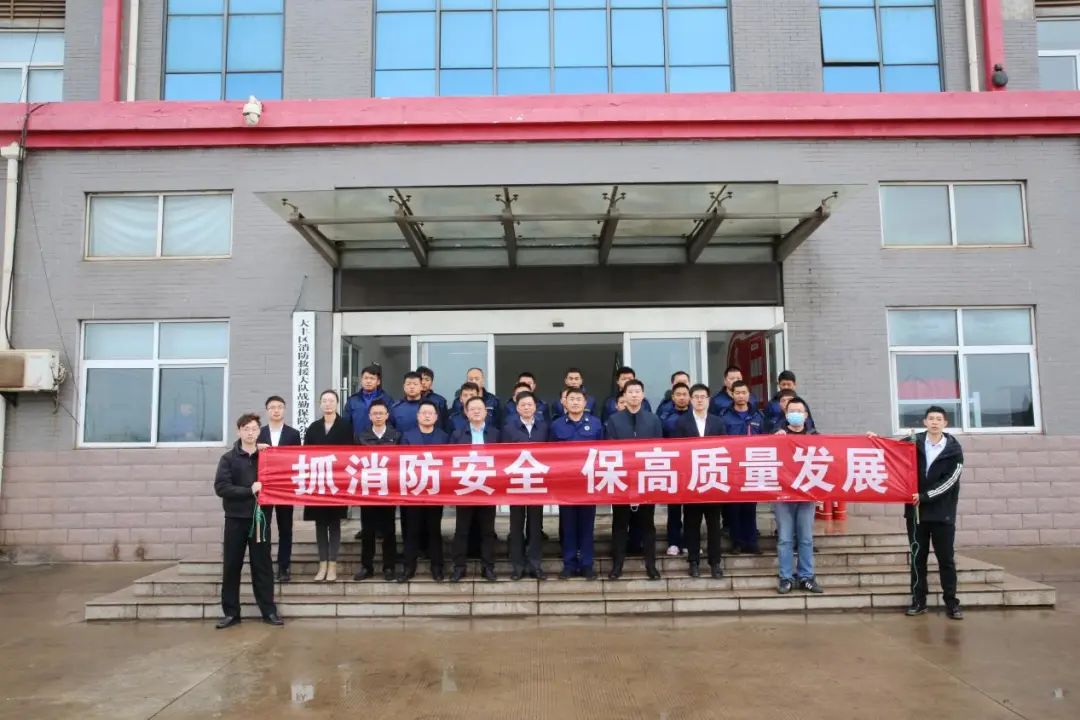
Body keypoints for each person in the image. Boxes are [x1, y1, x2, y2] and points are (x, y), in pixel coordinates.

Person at [872, 406, 964, 620]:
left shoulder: (954, 449)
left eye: (939, 419)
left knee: (946, 560)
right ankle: (919, 600)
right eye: (931, 418)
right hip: (916, 514)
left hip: (942, 514)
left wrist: (925, 496)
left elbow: (951, 480)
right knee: (917, 559)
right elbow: (891, 449)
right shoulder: (914, 441)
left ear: (945, 423)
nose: (934, 422)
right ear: (925, 422)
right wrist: (875, 440)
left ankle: (951, 603)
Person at [213, 413, 283, 628]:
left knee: (262, 566)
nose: (250, 433)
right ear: (239, 431)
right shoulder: (228, 458)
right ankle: (231, 613)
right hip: (235, 520)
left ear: (259, 431)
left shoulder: (266, 456)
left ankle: (268, 611)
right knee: (231, 566)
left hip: (260, 520)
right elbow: (221, 487)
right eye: (246, 429)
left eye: (254, 429)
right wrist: (248, 490)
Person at [605, 379, 663, 581]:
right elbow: (610, 449)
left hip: (646, 479)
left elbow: (659, 449)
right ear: (624, 395)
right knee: (620, 524)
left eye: (638, 391)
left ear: (643, 395)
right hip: (622, 480)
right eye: (630, 392)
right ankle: (617, 565)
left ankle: (651, 566)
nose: (634, 395)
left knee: (647, 525)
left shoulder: (653, 420)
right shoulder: (614, 420)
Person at [773, 397, 823, 594]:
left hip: (807, 494)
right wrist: (775, 440)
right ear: (786, 414)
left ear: (806, 415)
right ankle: (786, 577)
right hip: (783, 495)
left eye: (799, 411)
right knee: (785, 538)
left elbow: (825, 463)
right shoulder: (778, 435)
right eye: (792, 411)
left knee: (805, 538)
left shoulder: (815, 436)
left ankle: (806, 576)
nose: (795, 414)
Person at [675, 384, 726, 579]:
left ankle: (715, 563)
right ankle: (693, 561)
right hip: (691, 481)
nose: (699, 400)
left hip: (713, 480)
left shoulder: (718, 422)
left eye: (702, 396)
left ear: (708, 400)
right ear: (690, 399)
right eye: (695, 396)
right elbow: (678, 451)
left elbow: (726, 448)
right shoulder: (681, 423)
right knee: (691, 524)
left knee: (714, 525)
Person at [449, 396, 501, 582]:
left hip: (488, 487)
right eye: (472, 409)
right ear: (466, 412)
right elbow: (450, 459)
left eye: (480, 408)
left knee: (487, 531)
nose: (476, 412)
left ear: (486, 412)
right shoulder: (457, 434)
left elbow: (503, 459)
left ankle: (488, 567)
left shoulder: (495, 434)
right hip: (465, 487)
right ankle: (459, 567)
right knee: (462, 530)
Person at [302, 389, 352, 582]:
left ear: (337, 403)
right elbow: (305, 456)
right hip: (318, 482)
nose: (328, 404)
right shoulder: (313, 428)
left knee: (334, 523)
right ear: (320, 404)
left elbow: (350, 455)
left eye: (331, 400)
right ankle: (322, 563)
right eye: (324, 401)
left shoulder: (346, 426)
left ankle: (332, 564)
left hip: (337, 482)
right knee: (320, 524)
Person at [501, 390, 549, 580]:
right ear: (517, 408)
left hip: (537, 483)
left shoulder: (544, 427)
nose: (527, 407)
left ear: (535, 407)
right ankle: (518, 566)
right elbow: (503, 456)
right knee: (516, 526)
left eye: (530, 404)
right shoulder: (508, 429)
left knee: (535, 525)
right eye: (523, 405)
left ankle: (535, 564)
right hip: (516, 483)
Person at [398, 400, 448, 582]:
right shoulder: (407, 436)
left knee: (434, 530)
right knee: (412, 530)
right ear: (418, 416)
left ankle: (437, 567)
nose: (427, 416)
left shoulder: (444, 437)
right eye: (424, 413)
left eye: (430, 413)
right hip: (413, 491)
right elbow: (402, 462)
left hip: (435, 490)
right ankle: (408, 567)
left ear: (436, 417)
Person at [353, 399, 402, 582]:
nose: (378, 416)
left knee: (389, 530)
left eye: (381, 413)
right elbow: (355, 461)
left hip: (389, 489)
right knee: (368, 531)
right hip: (368, 489)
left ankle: (389, 567)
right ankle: (367, 566)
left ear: (387, 415)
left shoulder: (396, 435)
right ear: (369, 416)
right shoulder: (361, 436)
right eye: (375, 413)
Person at [255, 395, 302, 583]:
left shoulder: (293, 434)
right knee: (263, 527)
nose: (276, 410)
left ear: (284, 409)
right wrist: (257, 448)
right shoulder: (258, 433)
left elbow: (297, 459)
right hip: (264, 487)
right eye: (272, 407)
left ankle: (284, 567)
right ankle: (264, 566)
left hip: (285, 487)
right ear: (267, 411)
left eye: (279, 407)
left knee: (285, 528)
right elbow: (244, 451)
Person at [718, 380, 766, 555]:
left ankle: (751, 541)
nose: (741, 396)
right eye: (737, 393)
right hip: (732, 468)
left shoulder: (758, 416)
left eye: (744, 392)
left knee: (750, 507)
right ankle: (737, 542)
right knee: (734, 508)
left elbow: (765, 440)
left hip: (752, 467)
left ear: (748, 394)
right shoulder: (724, 416)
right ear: (731, 394)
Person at [661, 382, 692, 556]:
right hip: (672, 467)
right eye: (678, 394)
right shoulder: (665, 417)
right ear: (673, 397)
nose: (682, 397)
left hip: (692, 467)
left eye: (684, 394)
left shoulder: (696, 415)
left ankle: (689, 542)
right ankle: (673, 541)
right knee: (673, 507)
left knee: (691, 509)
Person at [344, 364, 393, 437]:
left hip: (379, 441)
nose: (368, 381)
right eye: (366, 378)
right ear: (361, 380)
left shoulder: (387, 399)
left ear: (378, 382)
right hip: (358, 441)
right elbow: (346, 424)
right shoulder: (352, 400)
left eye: (372, 378)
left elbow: (391, 422)